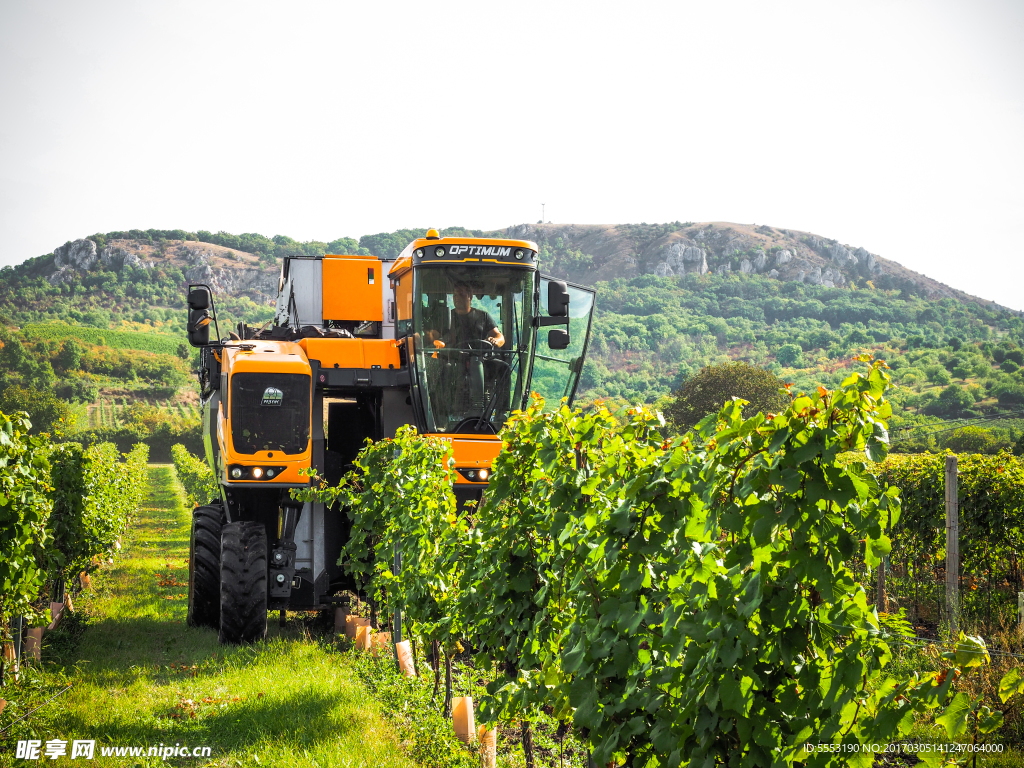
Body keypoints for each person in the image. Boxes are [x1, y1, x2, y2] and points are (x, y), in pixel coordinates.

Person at [428, 283, 504, 350]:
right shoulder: (445, 317)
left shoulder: (483, 316)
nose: (457, 297)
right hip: (450, 361)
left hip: (479, 361)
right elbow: (433, 337)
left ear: (470, 296)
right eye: (455, 295)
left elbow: (500, 337)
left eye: (461, 294)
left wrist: (496, 340)